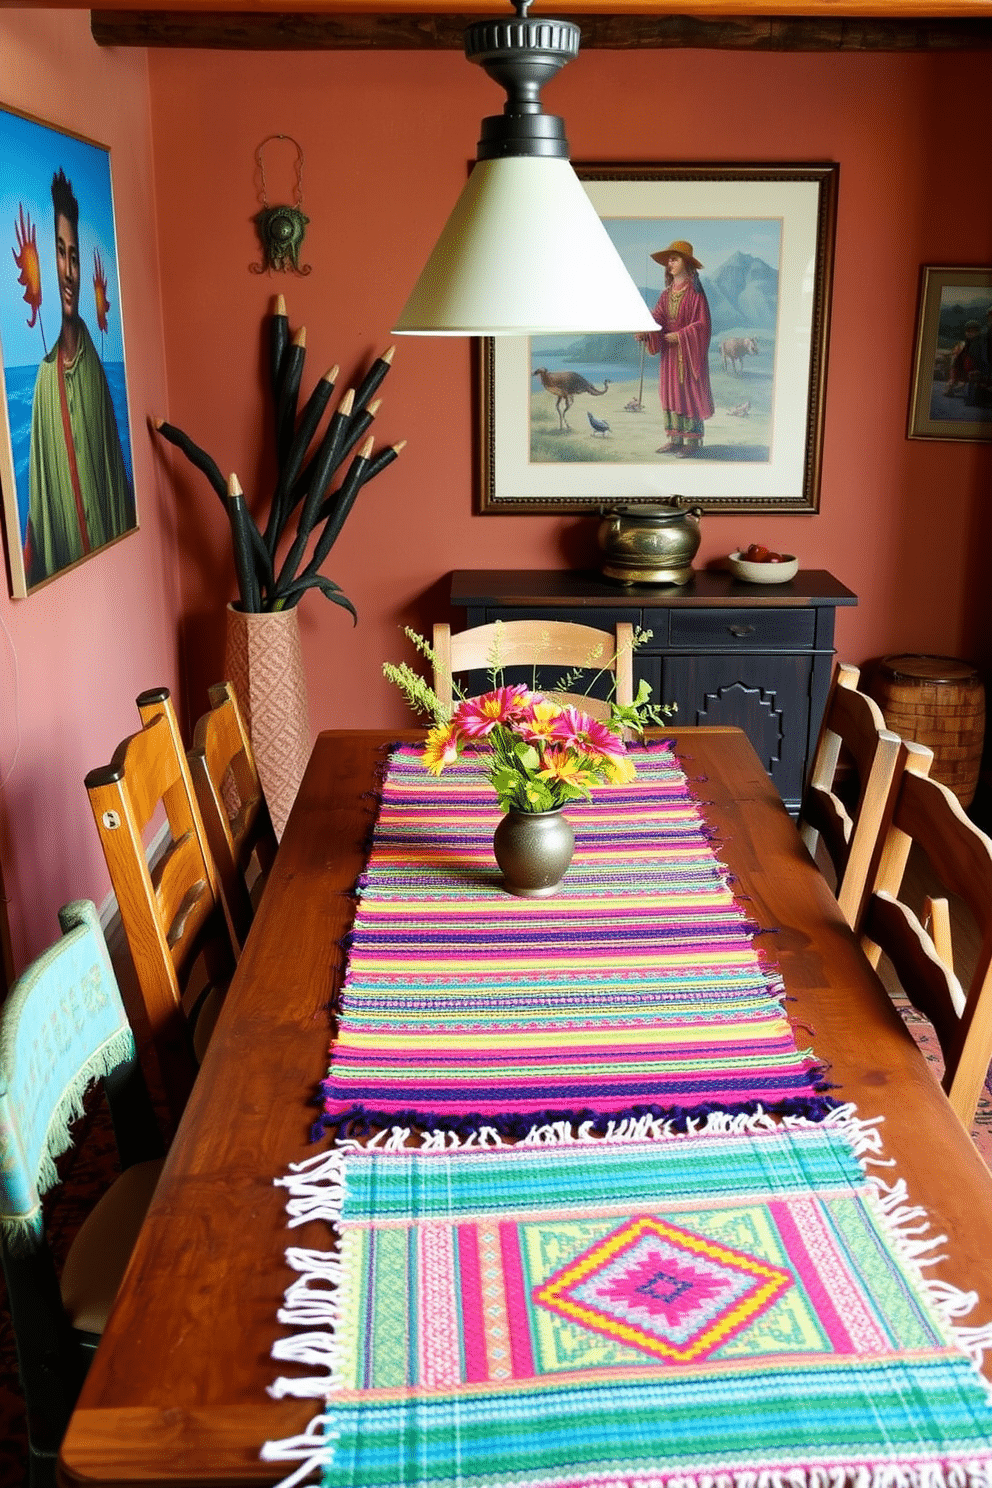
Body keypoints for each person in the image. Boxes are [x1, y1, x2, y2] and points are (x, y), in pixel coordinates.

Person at [24, 168, 134, 585]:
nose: (68, 270)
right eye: (59, 252)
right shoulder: (41, 383)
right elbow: (40, 508)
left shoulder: (95, 371)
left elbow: (114, 476)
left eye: (74, 255)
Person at [636, 238, 714, 458]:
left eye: (674, 259)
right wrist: (646, 330)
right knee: (670, 394)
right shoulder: (666, 294)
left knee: (687, 393)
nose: (669, 264)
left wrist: (681, 335)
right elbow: (658, 318)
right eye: (668, 260)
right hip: (670, 356)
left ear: (686, 263)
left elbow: (702, 325)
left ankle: (692, 441)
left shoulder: (695, 293)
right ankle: (675, 439)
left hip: (689, 355)